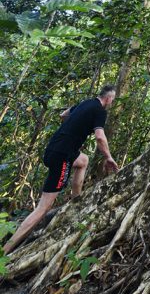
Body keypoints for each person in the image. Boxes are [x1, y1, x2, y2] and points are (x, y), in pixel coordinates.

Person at [3, 84, 120, 255]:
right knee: (44, 208)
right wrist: (108, 157)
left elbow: (63, 114)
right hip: (62, 156)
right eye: (113, 100)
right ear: (109, 98)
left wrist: (74, 128)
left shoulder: (85, 103)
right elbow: (100, 137)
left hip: (53, 149)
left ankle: (76, 202)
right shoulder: (100, 111)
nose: (112, 102)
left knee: (83, 160)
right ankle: (5, 251)